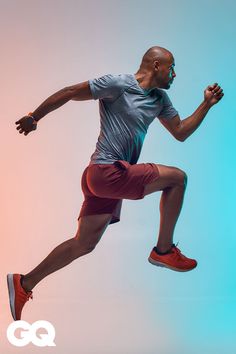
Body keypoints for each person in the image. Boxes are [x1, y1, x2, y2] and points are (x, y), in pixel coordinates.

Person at [7, 46, 224, 321]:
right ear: (156, 65)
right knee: (178, 179)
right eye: (171, 68)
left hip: (108, 179)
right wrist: (34, 116)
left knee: (83, 244)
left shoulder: (160, 99)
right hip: (106, 172)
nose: (174, 74)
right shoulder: (119, 84)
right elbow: (70, 92)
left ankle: (23, 283)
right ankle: (164, 250)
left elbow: (180, 132)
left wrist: (206, 104)